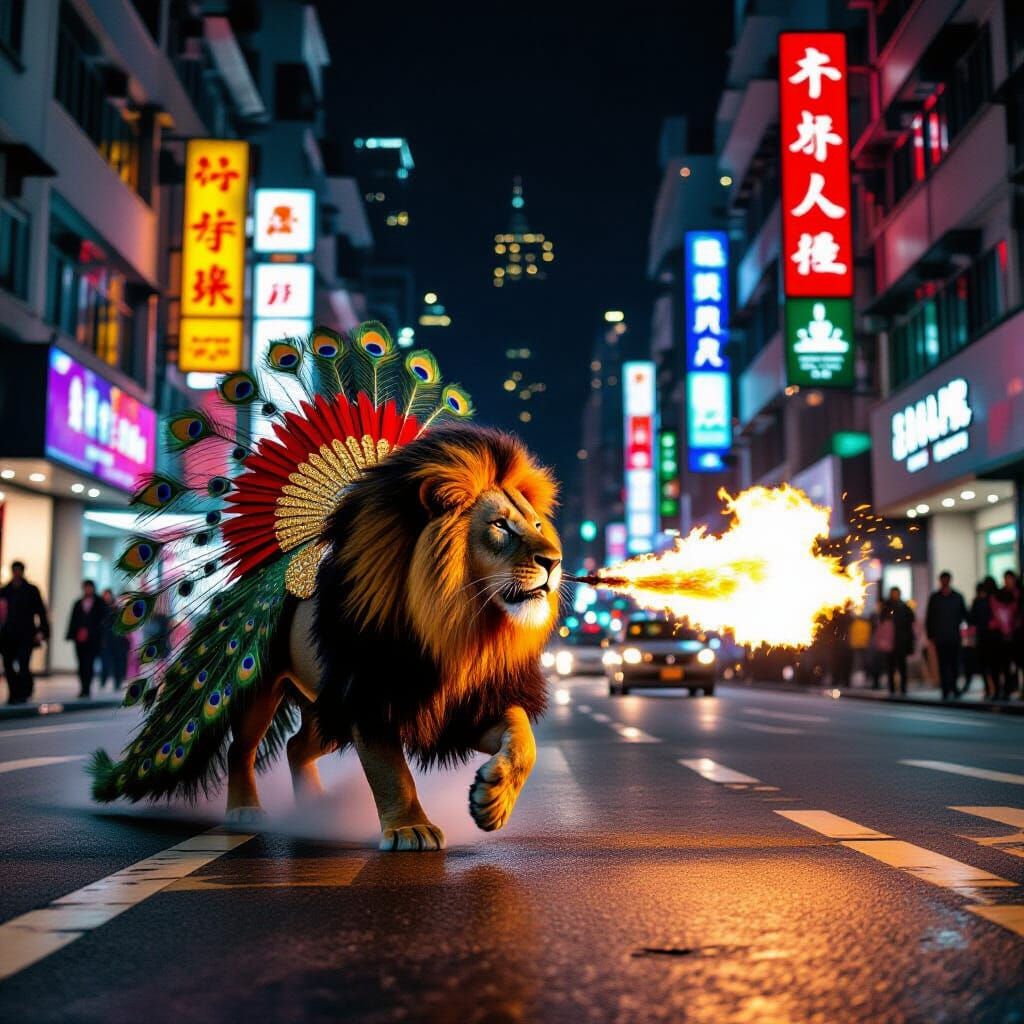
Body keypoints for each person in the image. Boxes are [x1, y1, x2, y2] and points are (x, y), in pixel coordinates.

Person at [0, 561, 50, 703]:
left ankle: (23, 692)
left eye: (18, 570)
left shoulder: (31, 590)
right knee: (8, 664)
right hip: (8, 635)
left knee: (23, 664)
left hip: (26, 634)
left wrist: (41, 631)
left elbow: (41, 612)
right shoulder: (5, 591)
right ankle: (14, 692)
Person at [926, 571, 969, 700]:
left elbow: (964, 615)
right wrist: (931, 635)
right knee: (943, 664)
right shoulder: (935, 598)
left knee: (954, 664)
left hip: (954, 637)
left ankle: (954, 688)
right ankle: (945, 689)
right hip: (940, 638)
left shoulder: (957, 597)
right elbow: (930, 618)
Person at [65, 580, 106, 698]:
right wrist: (71, 634)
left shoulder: (100, 603)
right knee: (81, 663)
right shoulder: (78, 603)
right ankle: (83, 687)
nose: (88, 590)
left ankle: (87, 688)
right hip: (79, 639)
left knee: (89, 663)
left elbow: (103, 621)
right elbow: (72, 620)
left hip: (93, 639)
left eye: (90, 587)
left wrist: (101, 637)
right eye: (86, 587)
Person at [877, 586, 915, 695]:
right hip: (890, 643)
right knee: (890, 667)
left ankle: (903, 688)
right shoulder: (887, 607)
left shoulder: (904, 607)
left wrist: (909, 643)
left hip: (901, 642)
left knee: (902, 666)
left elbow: (910, 624)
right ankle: (892, 688)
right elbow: (881, 622)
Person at [968, 578, 998, 699]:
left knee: (985, 665)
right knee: (993, 666)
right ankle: (995, 690)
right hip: (993, 637)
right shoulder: (993, 600)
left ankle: (989, 689)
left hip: (983, 637)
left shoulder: (980, 602)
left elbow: (971, 619)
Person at [99, 589, 129, 689]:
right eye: (104, 596)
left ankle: (117, 682)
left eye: (108, 596)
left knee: (118, 662)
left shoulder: (117, 608)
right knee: (105, 662)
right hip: (106, 640)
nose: (106, 598)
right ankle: (103, 680)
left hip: (118, 640)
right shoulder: (100, 608)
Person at [1003, 570, 1022, 697]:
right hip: (1006, 634)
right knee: (1007, 664)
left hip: (1019, 634)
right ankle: (1009, 688)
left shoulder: (1019, 594)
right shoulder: (1002, 594)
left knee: (1019, 663)